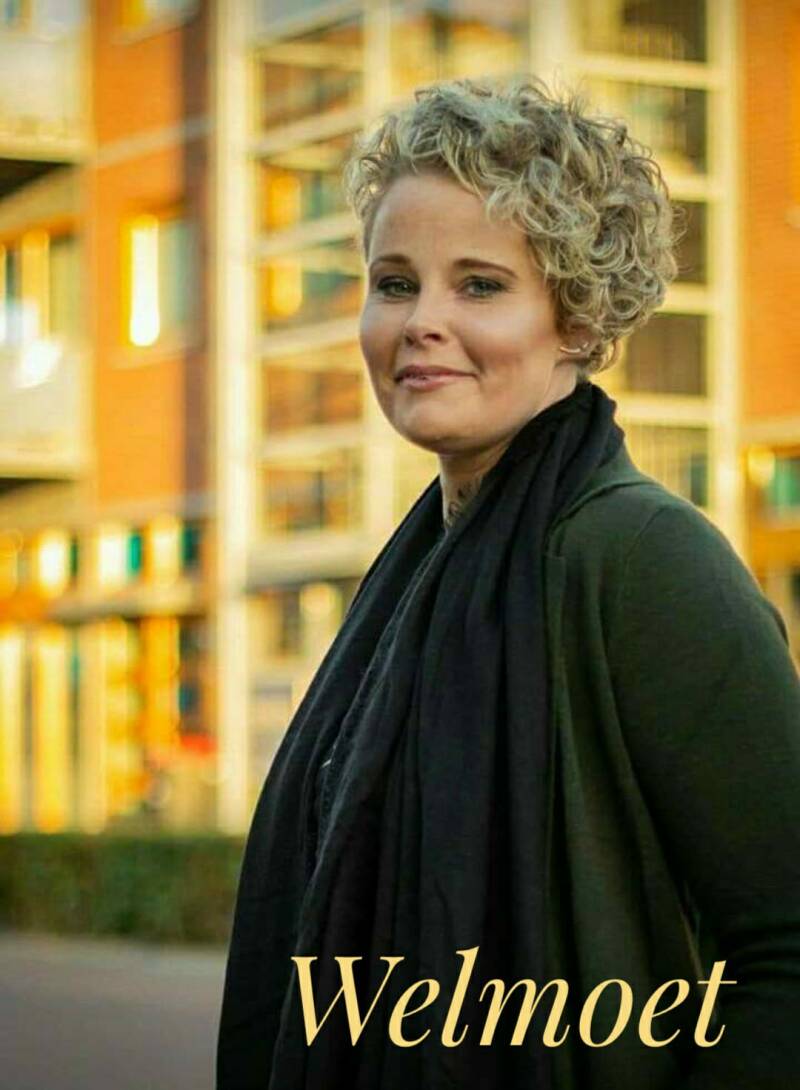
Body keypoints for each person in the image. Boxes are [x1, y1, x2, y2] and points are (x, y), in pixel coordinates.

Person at [216, 77, 800, 1090]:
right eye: (394, 282)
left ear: (575, 314)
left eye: (479, 285)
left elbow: (786, 954)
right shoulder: (413, 580)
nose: (421, 321)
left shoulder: (643, 559)